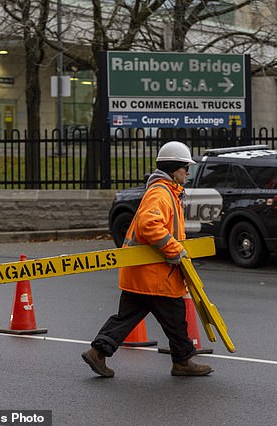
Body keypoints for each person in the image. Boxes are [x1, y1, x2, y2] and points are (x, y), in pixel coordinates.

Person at [82, 141, 213, 377]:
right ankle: (182, 362)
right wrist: (175, 250)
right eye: (185, 167)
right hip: (155, 276)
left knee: (126, 318)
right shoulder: (161, 193)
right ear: (174, 169)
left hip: (141, 274)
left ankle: (97, 352)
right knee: (175, 321)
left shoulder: (165, 191)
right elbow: (149, 224)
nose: (188, 172)